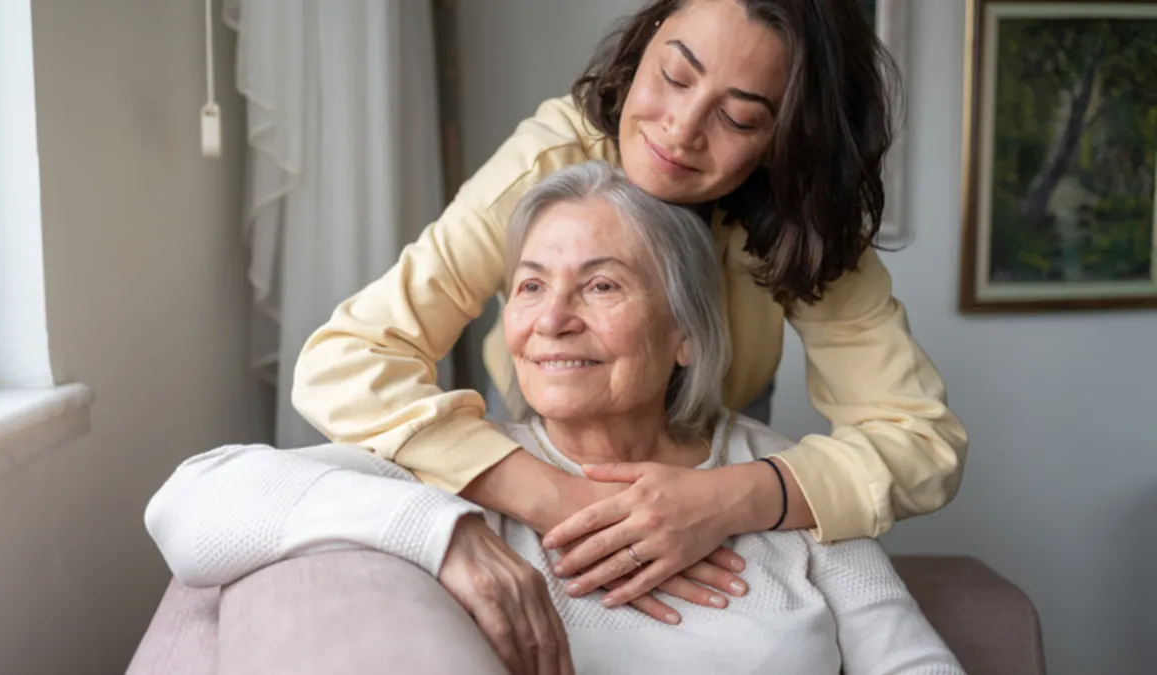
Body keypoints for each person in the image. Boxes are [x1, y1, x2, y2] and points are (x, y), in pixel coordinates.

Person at [290, 0, 968, 619]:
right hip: (537, 444)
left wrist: (729, 497)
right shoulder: (548, 161)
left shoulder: (804, 222)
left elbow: (922, 442)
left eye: (738, 117)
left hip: (722, 445)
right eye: (674, 75)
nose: (680, 128)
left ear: (787, 140)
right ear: (644, 42)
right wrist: (555, 496)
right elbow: (344, 361)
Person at [146, 163, 965, 675]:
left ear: (685, 332)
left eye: (602, 286)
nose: (552, 319)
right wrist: (449, 534)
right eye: (531, 285)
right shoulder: (460, 465)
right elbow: (189, 502)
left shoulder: (782, 482)